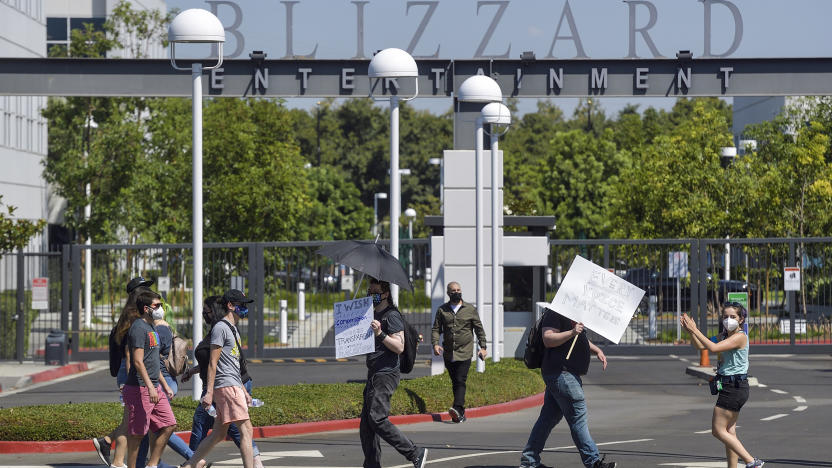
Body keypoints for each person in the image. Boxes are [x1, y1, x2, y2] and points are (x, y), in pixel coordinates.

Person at [519, 309, 617, 468]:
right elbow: (548, 338)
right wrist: (572, 331)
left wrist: (597, 350)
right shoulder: (556, 311)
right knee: (578, 417)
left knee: (547, 420)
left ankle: (529, 461)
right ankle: (593, 462)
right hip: (562, 374)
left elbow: (580, 338)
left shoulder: (574, 314)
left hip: (563, 374)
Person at [181, 296, 265, 468]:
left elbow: (234, 364)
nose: (244, 308)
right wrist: (209, 392)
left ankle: (190, 465)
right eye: (242, 305)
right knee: (246, 430)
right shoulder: (220, 328)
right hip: (226, 386)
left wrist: (243, 390)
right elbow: (213, 362)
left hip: (233, 385)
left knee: (218, 434)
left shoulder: (232, 328)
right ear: (230, 305)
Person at [681, 304, 765, 468]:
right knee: (729, 432)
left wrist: (695, 330)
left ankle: (751, 462)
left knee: (718, 430)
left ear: (741, 319)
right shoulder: (724, 335)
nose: (728, 320)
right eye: (725, 316)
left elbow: (713, 348)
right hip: (733, 386)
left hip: (733, 388)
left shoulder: (740, 337)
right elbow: (701, 346)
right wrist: (690, 331)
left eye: (733, 317)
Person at [360, 278, 428, 468]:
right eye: (369, 292)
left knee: (377, 418)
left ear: (385, 294)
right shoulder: (372, 314)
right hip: (374, 373)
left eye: (375, 292)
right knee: (367, 427)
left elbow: (399, 346)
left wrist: (380, 334)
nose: (371, 295)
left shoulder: (391, 316)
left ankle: (414, 452)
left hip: (386, 374)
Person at [93, 278, 153, 468]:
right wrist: (132, 381)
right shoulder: (135, 318)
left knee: (129, 420)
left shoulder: (129, 316)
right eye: (146, 289)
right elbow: (129, 355)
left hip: (128, 372)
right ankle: (114, 454)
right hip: (130, 372)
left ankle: (113, 451)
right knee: (130, 421)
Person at [123, 289, 177, 468]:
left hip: (155, 387)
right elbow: (138, 362)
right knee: (137, 435)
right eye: (157, 305)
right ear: (146, 308)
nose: (161, 308)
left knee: (169, 425)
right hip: (140, 388)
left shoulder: (152, 326)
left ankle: (152, 465)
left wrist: (163, 385)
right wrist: (150, 387)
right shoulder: (138, 328)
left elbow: (152, 360)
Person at [430, 281, 487, 423]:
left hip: (465, 352)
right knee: (455, 381)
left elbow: (479, 329)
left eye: (458, 290)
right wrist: (435, 344)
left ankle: (456, 407)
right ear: (448, 293)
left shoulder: (470, 309)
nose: (456, 292)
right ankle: (460, 414)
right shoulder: (442, 310)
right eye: (453, 290)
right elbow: (436, 329)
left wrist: (483, 347)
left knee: (461, 380)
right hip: (449, 353)